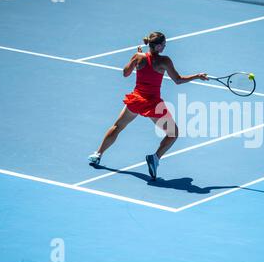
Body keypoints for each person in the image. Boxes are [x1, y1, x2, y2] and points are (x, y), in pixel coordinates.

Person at [88, 32, 208, 179]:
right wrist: (197, 76)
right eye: (164, 44)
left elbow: (125, 73)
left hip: (136, 100)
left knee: (117, 127)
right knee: (173, 133)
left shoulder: (138, 57)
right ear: (158, 46)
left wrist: (135, 58)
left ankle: (97, 154)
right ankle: (155, 158)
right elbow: (178, 80)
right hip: (152, 104)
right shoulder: (164, 61)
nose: (165, 46)